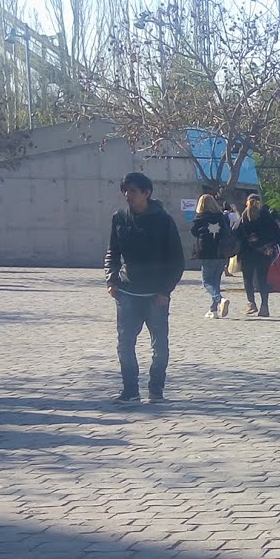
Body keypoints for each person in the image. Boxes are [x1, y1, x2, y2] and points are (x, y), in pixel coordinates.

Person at [104, 172, 185, 403]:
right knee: (124, 344)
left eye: (133, 191)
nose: (127, 195)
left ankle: (156, 389)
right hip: (127, 291)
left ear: (146, 193)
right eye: (125, 191)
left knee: (159, 346)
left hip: (155, 294)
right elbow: (112, 252)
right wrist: (111, 280)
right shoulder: (120, 218)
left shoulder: (163, 220)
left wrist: (165, 290)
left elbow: (176, 260)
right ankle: (130, 390)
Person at [235, 194, 280, 317]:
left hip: (247, 253)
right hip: (264, 252)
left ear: (247, 202)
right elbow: (277, 233)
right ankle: (264, 307)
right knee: (263, 279)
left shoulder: (244, 216)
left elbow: (235, 231)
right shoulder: (266, 216)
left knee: (248, 279)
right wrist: (273, 247)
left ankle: (251, 304)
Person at [191, 194, 233, 318]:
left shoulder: (200, 218)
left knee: (207, 281)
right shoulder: (222, 217)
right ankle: (213, 310)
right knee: (216, 281)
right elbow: (228, 232)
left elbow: (194, 232)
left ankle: (220, 300)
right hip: (221, 252)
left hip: (207, 253)